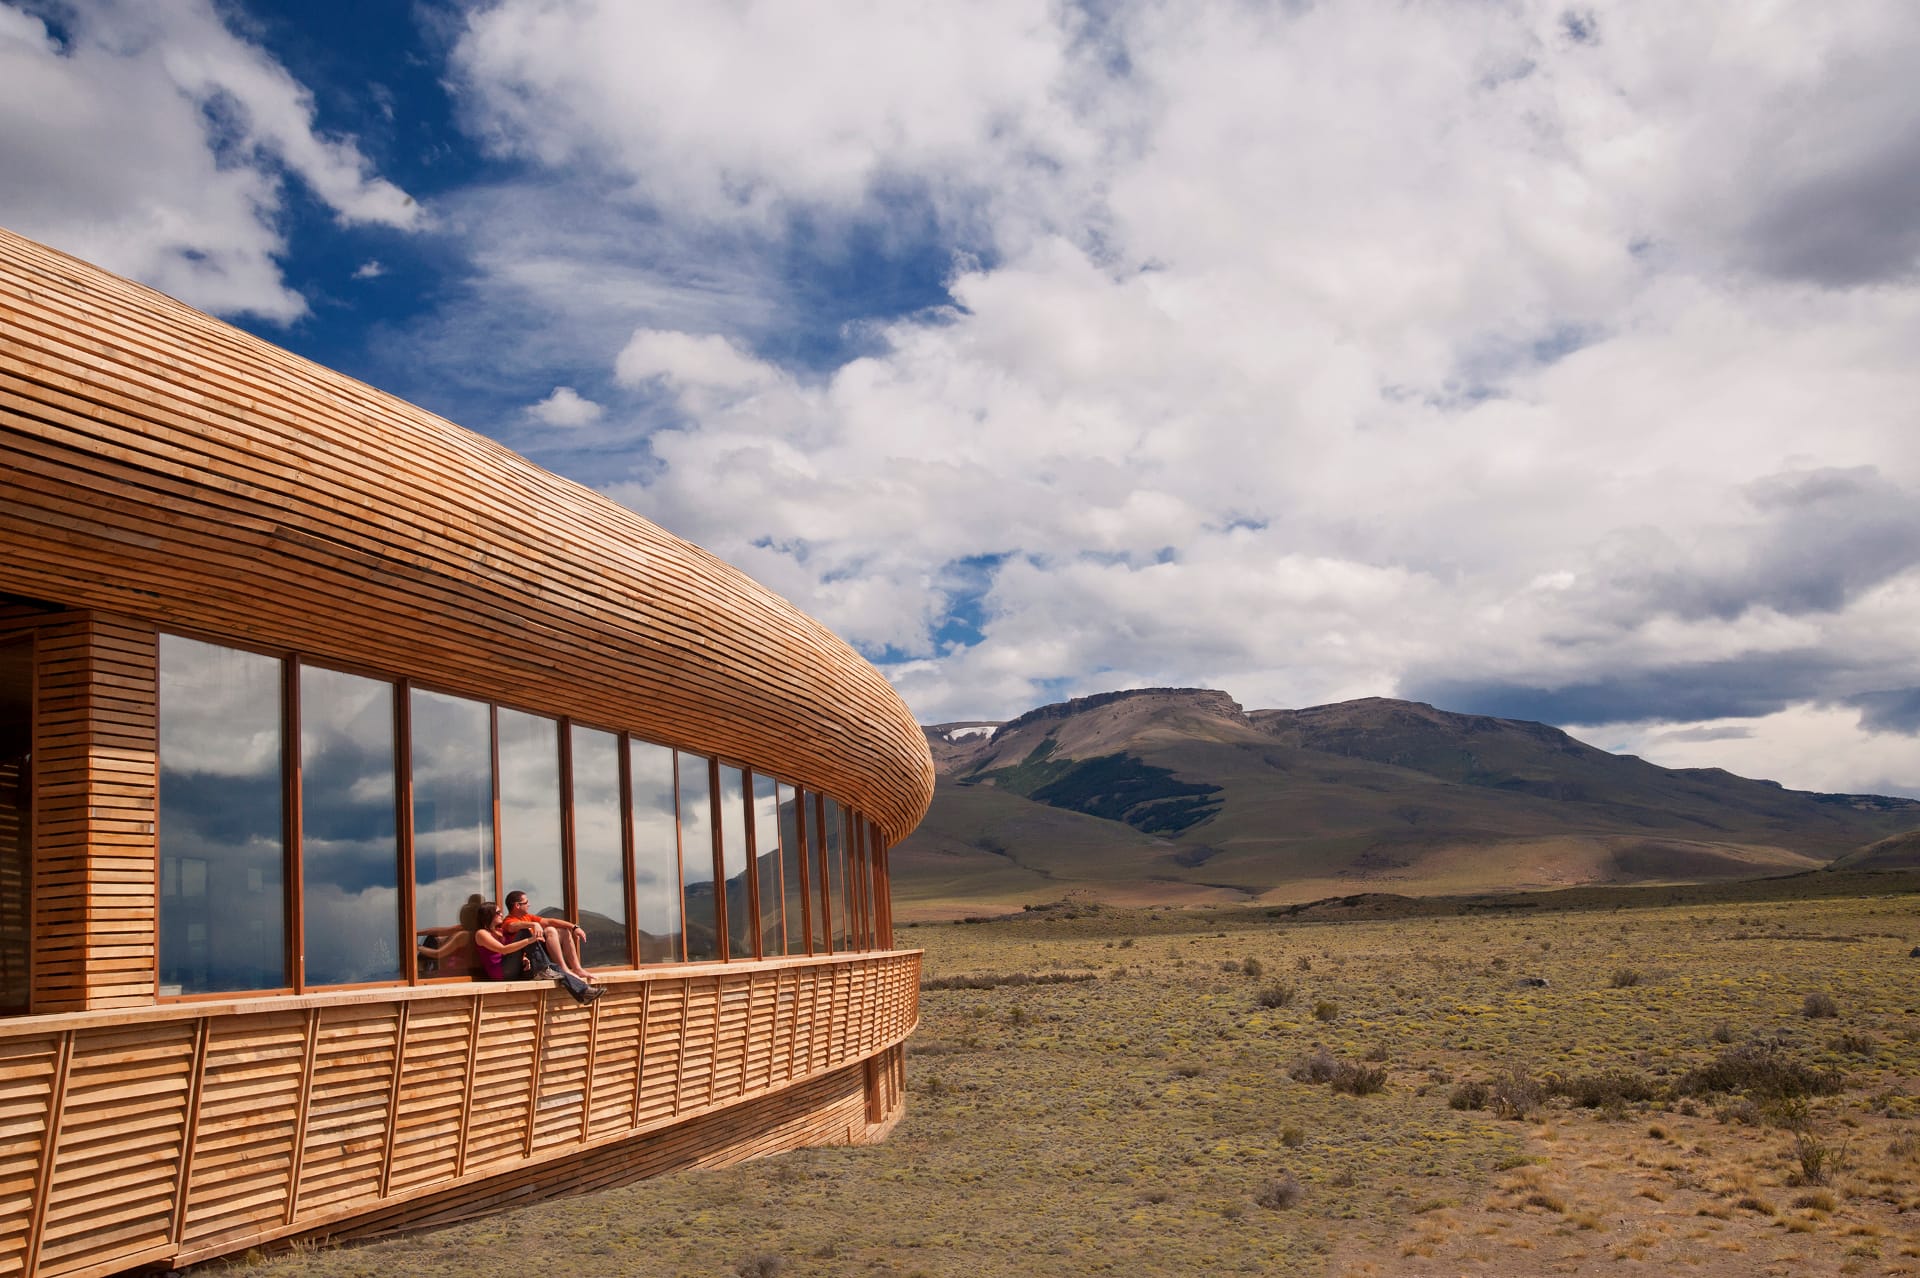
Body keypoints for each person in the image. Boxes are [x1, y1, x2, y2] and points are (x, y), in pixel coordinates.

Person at [472, 899, 601, 1004]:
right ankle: (545, 968)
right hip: (501, 973)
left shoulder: (500, 931)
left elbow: (548, 922)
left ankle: (584, 992)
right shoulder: (481, 934)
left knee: (555, 969)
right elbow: (503, 950)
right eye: (498, 912)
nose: (501, 914)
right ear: (489, 915)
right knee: (524, 932)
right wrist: (530, 940)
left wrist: (523, 959)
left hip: (513, 970)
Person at [501, 889, 597, 986]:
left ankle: (577, 969)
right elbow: (513, 926)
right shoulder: (508, 921)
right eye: (526, 902)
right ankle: (564, 970)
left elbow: (549, 921)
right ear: (517, 905)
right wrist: (533, 924)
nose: (529, 905)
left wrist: (574, 927)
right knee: (550, 930)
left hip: (540, 957)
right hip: (529, 964)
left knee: (564, 931)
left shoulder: (527, 917)